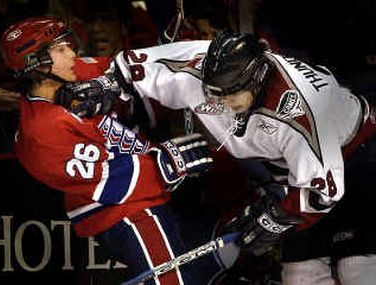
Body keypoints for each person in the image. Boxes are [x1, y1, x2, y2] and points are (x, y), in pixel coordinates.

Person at [56, 30, 376, 283]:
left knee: (358, 268)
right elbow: (142, 67)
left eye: (231, 94)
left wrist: (273, 218)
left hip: (357, 155)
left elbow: (323, 192)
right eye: (214, 92)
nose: (220, 102)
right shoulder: (205, 64)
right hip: (289, 166)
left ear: (257, 80)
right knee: (300, 276)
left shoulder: (301, 108)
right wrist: (109, 84)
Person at [0, 16, 244, 285]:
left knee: (205, 265)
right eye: (59, 50)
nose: (72, 53)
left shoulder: (74, 74)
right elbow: (112, 180)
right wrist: (168, 163)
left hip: (155, 196)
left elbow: (126, 72)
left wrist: (160, 57)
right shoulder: (40, 135)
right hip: (127, 213)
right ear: (35, 66)